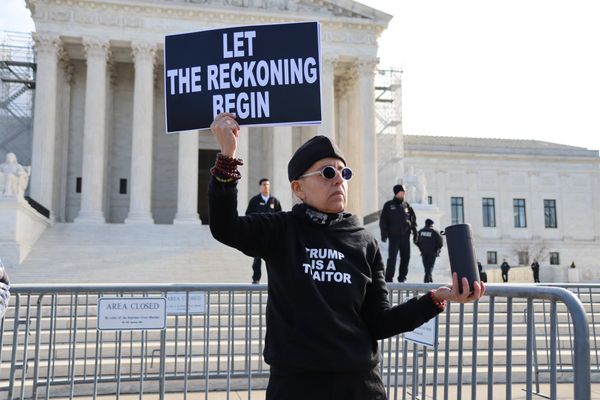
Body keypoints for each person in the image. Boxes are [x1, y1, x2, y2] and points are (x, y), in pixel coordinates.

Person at [207, 112, 485, 400]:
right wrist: (228, 155)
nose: (338, 180)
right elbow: (225, 226)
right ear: (298, 188)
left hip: (360, 386)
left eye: (344, 173)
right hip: (297, 386)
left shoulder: (365, 242)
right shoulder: (281, 230)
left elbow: (378, 322)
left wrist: (434, 299)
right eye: (328, 173)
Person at [245, 178, 282, 284]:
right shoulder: (254, 201)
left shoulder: (274, 201)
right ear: (260, 187)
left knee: (274, 259)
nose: (266, 186)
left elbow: (280, 215)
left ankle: (275, 280)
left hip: (272, 234)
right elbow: (248, 214)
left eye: (268, 184)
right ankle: (256, 279)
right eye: (264, 184)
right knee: (257, 258)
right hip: (258, 234)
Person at [379, 184, 417, 282]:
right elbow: (383, 220)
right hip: (394, 236)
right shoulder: (389, 205)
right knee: (392, 258)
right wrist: (384, 233)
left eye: (404, 192)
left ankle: (402, 278)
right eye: (402, 192)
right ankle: (389, 278)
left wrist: (415, 231)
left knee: (405, 257)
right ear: (396, 193)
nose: (403, 194)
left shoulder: (406, 205)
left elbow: (412, 219)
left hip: (405, 236)